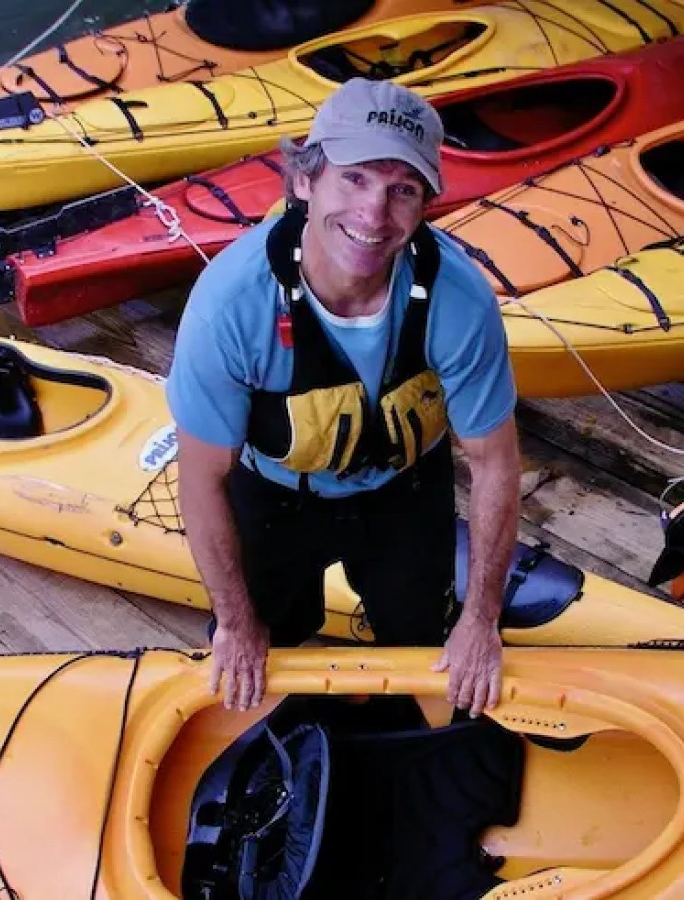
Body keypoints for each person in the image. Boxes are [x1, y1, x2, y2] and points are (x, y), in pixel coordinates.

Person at [166, 77, 520, 719]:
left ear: (424, 207)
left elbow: (495, 461)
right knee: (263, 635)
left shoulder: (460, 303)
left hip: (405, 496)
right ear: (305, 179)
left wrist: (481, 619)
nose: (374, 215)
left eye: (402, 190)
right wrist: (235, 622)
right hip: (274, 498)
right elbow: (200, 480)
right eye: (354, 179)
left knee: (416, 631)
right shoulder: (230, 305)